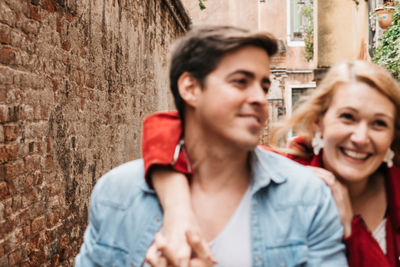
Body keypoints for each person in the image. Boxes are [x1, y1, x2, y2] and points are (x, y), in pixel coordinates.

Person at [75, 25, 347, 267]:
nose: (261, 98)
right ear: (190, 88)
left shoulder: (306, 198)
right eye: (241, 81)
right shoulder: (116, 194)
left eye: (264, 87)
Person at [141, 60, 400, 267]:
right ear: (318, 122)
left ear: (392, 135)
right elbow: (168, 126)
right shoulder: (283, 171)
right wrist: (177, 213)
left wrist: (350, 227)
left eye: (379, 123)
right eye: (347, 117)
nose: (360, 137)